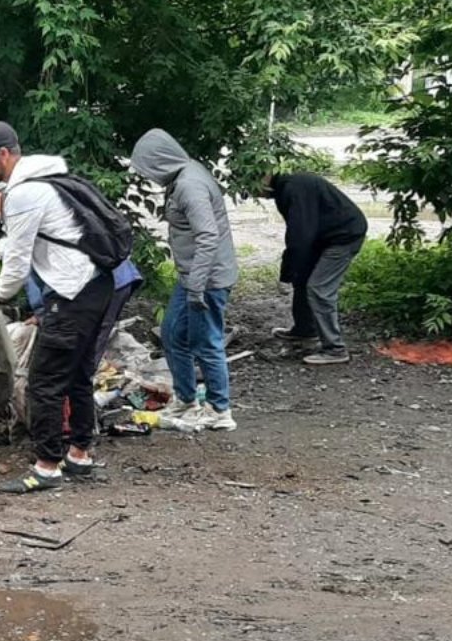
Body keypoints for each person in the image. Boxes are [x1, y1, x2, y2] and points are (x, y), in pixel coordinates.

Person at [0, 120, 115, 493]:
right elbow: (20, 241)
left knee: (43, 381)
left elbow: (18, 260)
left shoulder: (23, 194)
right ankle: (80, 454)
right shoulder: (46, 181)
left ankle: (46, 466)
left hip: (73, 293)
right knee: (77, 374)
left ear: (4, 155)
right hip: (95, 286)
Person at [0, 180, 142, 372]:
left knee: (85, 349)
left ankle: (74, 394)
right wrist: (41, 314)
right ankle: (74, 391)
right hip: (95, 278)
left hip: (105, 280)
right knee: (78, 349)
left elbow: (24, 262)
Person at [129, 129, 239, 431]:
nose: (149, 176)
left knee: (206, 342)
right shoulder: (183, 176)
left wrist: (197, 287)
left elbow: (207, 237)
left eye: (147, 168)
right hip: (192, 275)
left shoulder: (190, 185)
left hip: (207, 279)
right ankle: (187, 399)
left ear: (158, 161)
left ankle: (219, 410)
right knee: (172, 334)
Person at [264, 170, 367, 364]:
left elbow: (299, 237)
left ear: (263, 178)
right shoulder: (284, 189)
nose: (254, 195)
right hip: (323, 237)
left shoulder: (293, 189)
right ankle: (305, 330)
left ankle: (335, 349)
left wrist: (286, 274)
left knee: (319, 288)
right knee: (302, 278)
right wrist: (293, 273)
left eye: (252, 189)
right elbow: (302, 235)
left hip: (343, 236)